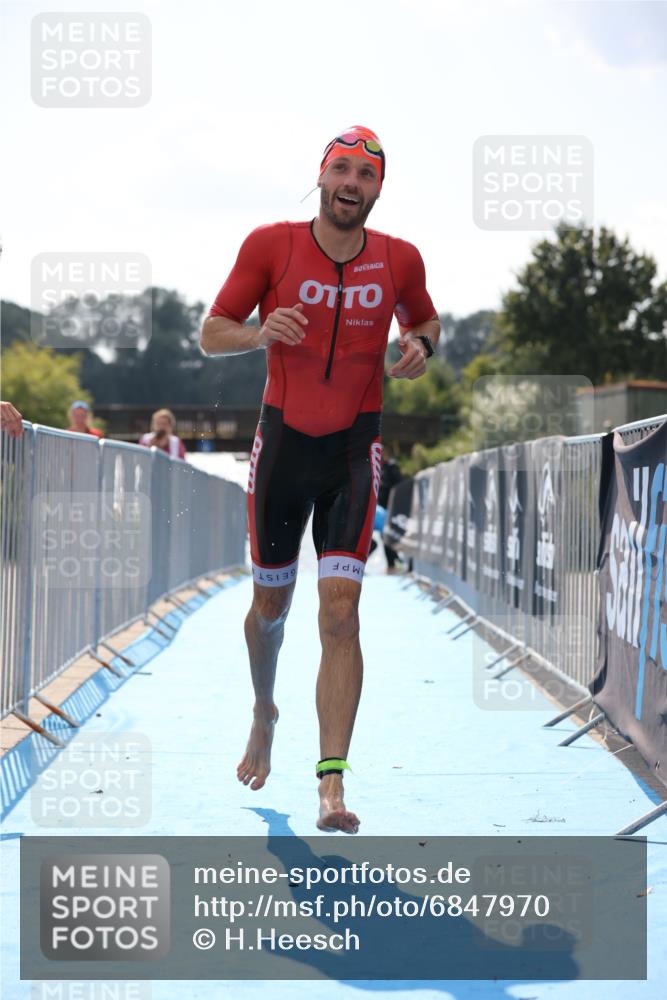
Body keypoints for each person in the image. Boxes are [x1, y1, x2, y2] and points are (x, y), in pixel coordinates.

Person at [200, 125, 440, 833]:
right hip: (282, 447)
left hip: (351, 451)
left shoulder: (399, 259)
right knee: (269, 613)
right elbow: (212, 331)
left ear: (377, 190)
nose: (350, 184)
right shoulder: (270, 244)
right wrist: (258, 332)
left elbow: (424, 319)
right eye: (340, 169)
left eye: (364, 176)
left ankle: (331, 784)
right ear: (321, 176)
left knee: (340, 613)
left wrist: (418, 346)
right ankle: (263, 712)